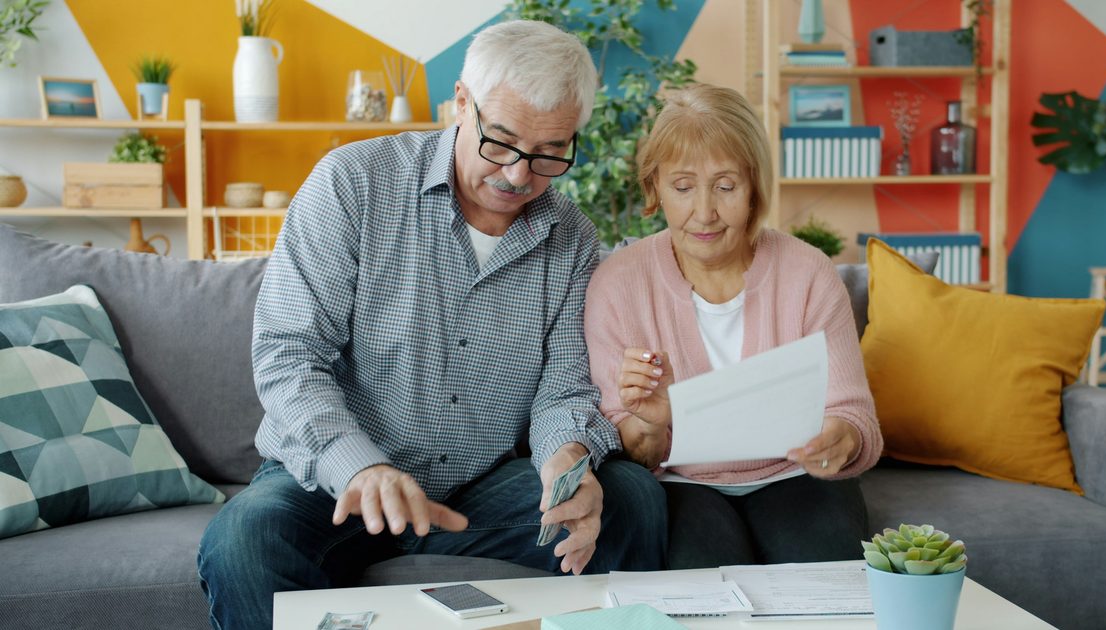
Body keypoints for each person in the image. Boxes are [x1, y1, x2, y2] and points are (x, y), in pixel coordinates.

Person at [198, 20, 666, 629]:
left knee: (631, 501)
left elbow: (564, 389)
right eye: (501, 142)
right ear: (462, 103)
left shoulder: (572, 237)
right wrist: (361, 469)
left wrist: (566, 460)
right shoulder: (352, 184)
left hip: (479, 487)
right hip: (332, 487)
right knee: (243, 543)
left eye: (551, 152)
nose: (520, 175)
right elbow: (290, 356)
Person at [583, 83, 882, 569]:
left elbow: (854, 415)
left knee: (827, 593)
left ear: (754, 188)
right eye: (682, 187)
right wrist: (653, 424)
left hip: (793, 475)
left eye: (726, 186)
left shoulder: (807, 271)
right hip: (681, 481)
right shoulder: (618, 283)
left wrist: (840, 438)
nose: (705, 213)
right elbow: (632, 453)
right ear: (654, 186)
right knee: (705, 595)